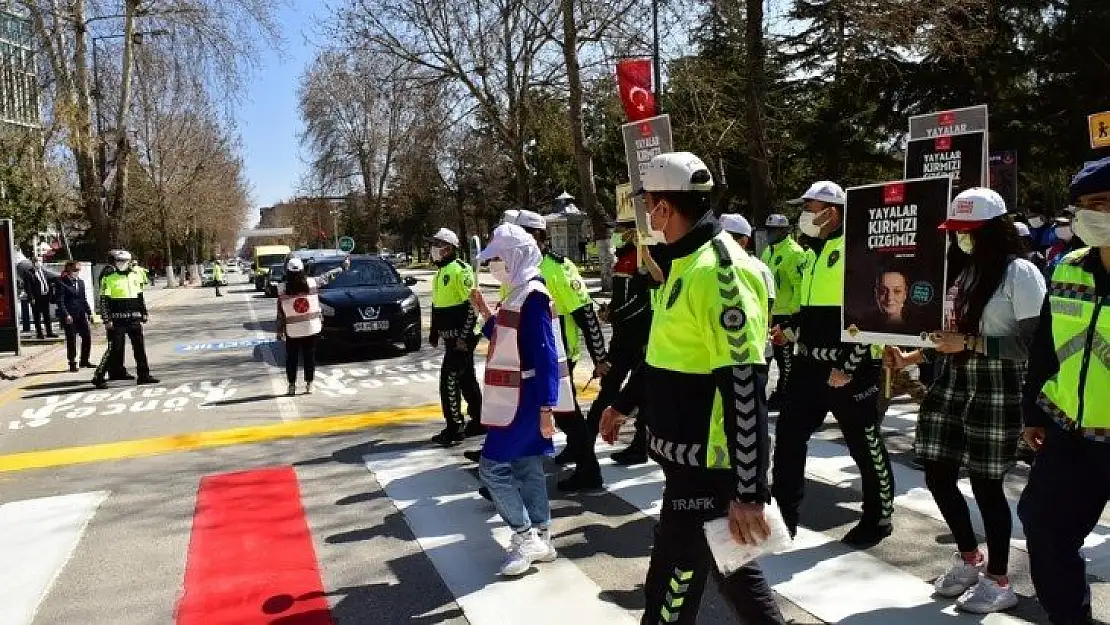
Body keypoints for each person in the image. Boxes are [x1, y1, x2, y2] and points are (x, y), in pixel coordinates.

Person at [599, 152, 786, 624]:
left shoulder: (721, 272)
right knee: (735, 575)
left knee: (669, 589)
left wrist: (748, 489)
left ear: (664, 208)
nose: (645, 217)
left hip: (710, 466)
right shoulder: (681, 263)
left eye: (648, 207)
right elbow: (666, 353)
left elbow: (744, 384)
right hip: (686, 463)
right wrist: (623, 404)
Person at [884, 187, 1044, 613]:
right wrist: (911, 357)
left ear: (993, 230)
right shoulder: (961, 273)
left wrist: (971, 342)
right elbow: (947, 339)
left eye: (969, 231)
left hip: (998, 384)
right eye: (956, 231)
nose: (960, 238)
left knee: (986, 484)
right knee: (936, 472)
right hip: (953, 381)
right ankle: (969, 558)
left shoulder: (1021, 273)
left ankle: (999, 578)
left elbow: (1034, 344)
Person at [770, 180, 896, 547]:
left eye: (809, 208)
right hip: (808, 368)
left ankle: (879, 516)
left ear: (832, 211)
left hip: (848, 372)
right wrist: (789, 330)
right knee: (790, 439)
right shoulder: (812, 254)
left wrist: (850, 366)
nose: (804, 215)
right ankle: (784, 516)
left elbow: (873, 316)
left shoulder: (857, 252)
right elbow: (813, 316)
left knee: (864, 442)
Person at [1018, 156, 1110, 625]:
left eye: (1105, 204)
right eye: (1086, 205)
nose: (1093, 214)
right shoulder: (1068, 267)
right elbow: (1047, 347)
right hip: (1070, 430)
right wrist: (1034, 411)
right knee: (1043, 526)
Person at [474, 223, 564, 576]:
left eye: (497, 258)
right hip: (516, 396)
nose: (494, 265)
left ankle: (525, 535)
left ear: (514, 256)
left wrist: (546, 407)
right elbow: (506, 337)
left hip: (525, 399)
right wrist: (485, 313)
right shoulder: (518, 291)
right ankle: (541, 537)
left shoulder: (533, 295)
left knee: (491, 468)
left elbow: (544, 355)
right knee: (527, 468)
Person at [514, 209, 610, 492]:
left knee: (565, 414)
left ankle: (588, 470)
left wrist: (600, 358)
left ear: (540, 238)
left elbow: (585, 314)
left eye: (524, 235)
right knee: (552, 413)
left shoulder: (557, 269)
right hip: (531, 353)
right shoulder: (519, 269)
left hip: (557, 355)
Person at [598, 217, 657, 466]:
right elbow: (622, 297)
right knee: (611, 386)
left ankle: (639, 444)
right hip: (622, 335)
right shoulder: (624, 257)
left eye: (622, 229)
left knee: (639, 392)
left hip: (639, 335)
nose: (617, 233)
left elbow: (643, 301)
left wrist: (616, 314)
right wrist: (610, 310)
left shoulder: (642, 258)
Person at [428, 227, 485, 446]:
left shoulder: (460, 270)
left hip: (463, 337)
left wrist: (464, 336)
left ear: (449, 248)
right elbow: (437, 305)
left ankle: (455, 427)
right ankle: (480, 419)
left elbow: (472, 306)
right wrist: (434, 332)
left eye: (437, 244)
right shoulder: (441, 272)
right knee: (466, 379)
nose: (433, 249)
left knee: (449, 380)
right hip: (450, 337)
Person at [275, 255, 350, 396]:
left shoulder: (282, 289)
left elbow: (280, 313)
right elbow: (328, 276)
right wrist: (343, 267)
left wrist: (280, 331)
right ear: (303, 270)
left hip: (293, 331)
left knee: (291, 359)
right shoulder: (312, 283)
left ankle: (291, 386)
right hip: (311, 328)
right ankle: (309, 384)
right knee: (309, 357)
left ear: (287, 271)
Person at [760, 214, 807, 407]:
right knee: (770, 356)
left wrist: (795, 317)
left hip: (787, 314)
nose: (771, 233)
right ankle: (780, 392)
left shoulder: (794, 253)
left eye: (775, 230)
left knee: (785, 359)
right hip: (770, 313)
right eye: (769, 230)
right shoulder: (767, 252)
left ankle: (785, 394)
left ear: (785, 231)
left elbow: (800, 287)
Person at [92, 251, 158, 388]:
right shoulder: (109, 277)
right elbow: (104, 300)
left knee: (140, 348)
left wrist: (144, 312)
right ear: (115, 262)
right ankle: (99, 376)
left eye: (124, 261)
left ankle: (144, 375)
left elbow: (139, 296)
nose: (122, 264)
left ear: (129, 262)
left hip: (134, 319)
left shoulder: (134, 276)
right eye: (119, 261)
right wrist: (106, 319)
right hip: (117, 321)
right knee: (113, 349)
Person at [720, 214, 776, 317]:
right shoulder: (711, 267)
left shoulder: (759, 270)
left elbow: (768, 306)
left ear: (743, 241)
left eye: (726, 238)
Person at [55, 261, 94, 372]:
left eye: (78, 270)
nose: (77, 273)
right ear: (69, 270)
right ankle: (72, 362)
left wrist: (90, 313)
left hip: (81, 315)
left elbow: (84, 299)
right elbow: (60, 301)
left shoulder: (81, 283)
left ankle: (84, 360)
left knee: (87, 336)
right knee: (71, 340)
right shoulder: (62, 282)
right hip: (69, 316)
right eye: (75, 270)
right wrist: (66, 314)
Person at [26, 257, 57, 339]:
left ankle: (49, 332)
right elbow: (28, 287)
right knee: (37, 316)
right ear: (33, 263)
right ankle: (39, 333)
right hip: (36, 298)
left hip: (45, 297)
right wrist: (31, 298)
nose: (39, 263)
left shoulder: (44, 272)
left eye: (40, 261)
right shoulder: (29, 273)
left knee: (47, 315)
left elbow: (48, 281)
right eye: (37, 261)